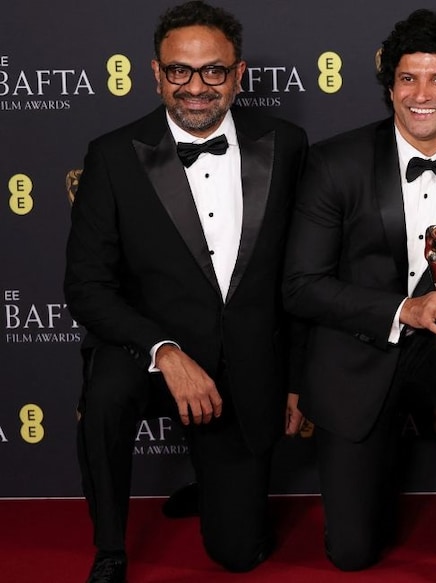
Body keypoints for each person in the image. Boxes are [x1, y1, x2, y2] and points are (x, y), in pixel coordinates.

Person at [63, 2, 308, 582]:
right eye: (179, 70)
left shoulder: (288, 144)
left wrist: (298, 379)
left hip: (243, 356)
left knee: (238, 554)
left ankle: (214, 486)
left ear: (238, 74)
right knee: (106, 397)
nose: (196, 88)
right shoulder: (112, 155)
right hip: (146, 347)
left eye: (213, 71)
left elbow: (301, 277)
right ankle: (109, 546)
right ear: (156, 73)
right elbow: (87, 285)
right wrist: (164, 351)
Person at [281, 9, 436, 583]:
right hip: (358, 345)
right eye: (408, 78)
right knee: (352, 553)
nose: (421, 94)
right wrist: (404, 308)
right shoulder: (335, 162)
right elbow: (301, 285)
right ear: (390, 88)